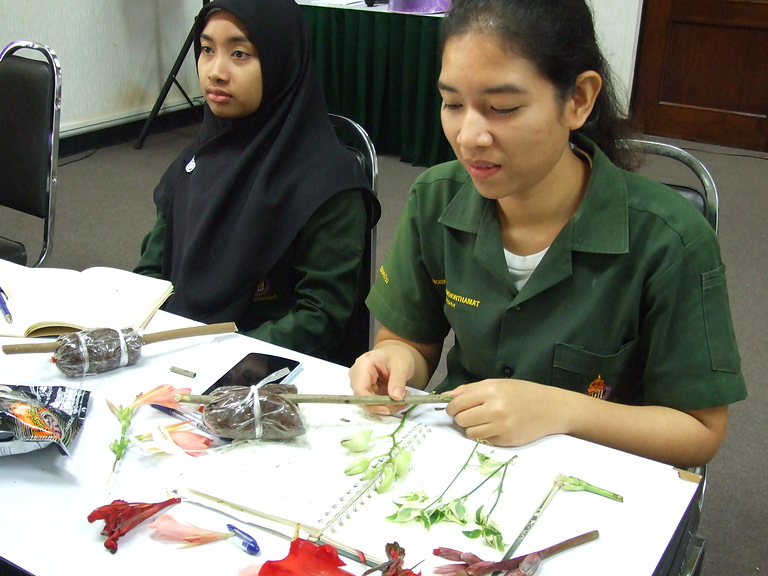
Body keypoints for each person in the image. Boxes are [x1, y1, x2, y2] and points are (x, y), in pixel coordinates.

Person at [349, 0, 746, 468]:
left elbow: (699, 430)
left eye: (502, 108)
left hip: (594, 476)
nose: (468, 136)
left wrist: (561, 411)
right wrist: (396, 361)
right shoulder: (435, 199)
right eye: (452, 103)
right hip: (463, 459)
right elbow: (410, 341)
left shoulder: (669, 239)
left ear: (578, 99)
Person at [135, 0, 379, 361]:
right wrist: (143, 328)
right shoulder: (197, 158)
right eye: (207, 49)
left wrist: (215, 357)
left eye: (239, 54)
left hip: (266, 372)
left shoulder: (327, 180)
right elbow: (152, 271)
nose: (215, 72)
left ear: (281, 61)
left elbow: (318, 319)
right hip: (175, 355)